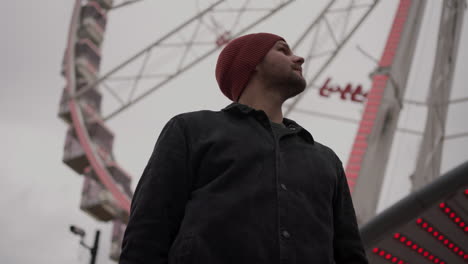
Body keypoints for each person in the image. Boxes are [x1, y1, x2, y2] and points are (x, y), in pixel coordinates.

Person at [119, 32, 369, 264]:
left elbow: (349, 253)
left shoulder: (327, 160)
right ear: (253, 63)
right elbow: (148, 231)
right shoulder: (192, 130)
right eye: (283, 50)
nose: (299, 58)